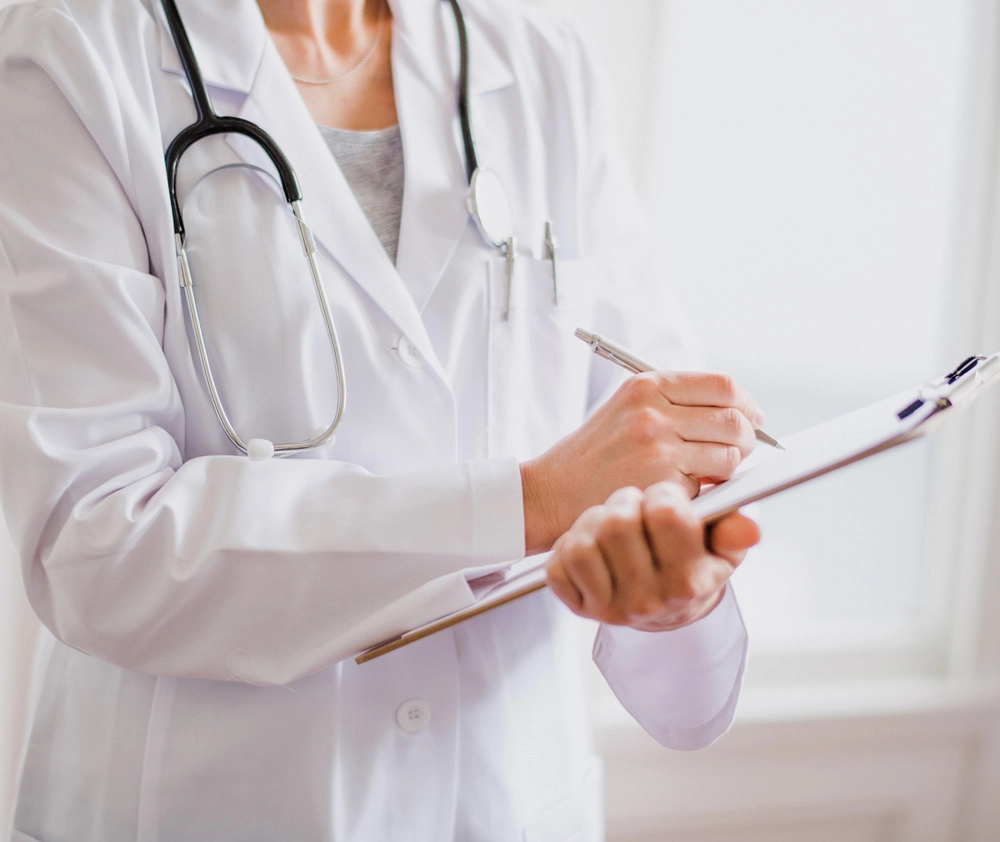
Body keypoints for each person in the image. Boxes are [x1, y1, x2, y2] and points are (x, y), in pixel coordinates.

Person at [0, 0, 762, 839]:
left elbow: (648, 457)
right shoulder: (70, 52)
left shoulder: (541, 63)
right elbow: (96, 538)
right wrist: (528, 502)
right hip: (212, 806)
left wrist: (664, 579)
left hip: (504, 800)